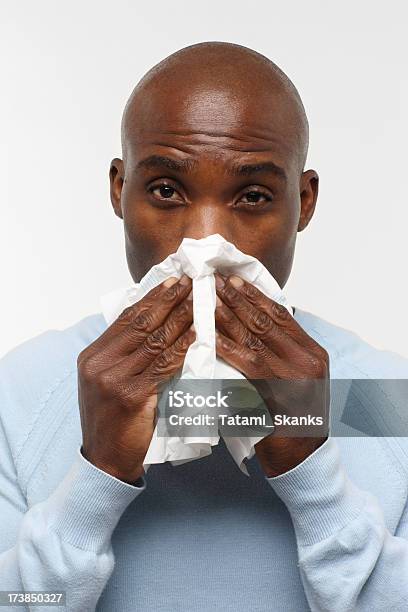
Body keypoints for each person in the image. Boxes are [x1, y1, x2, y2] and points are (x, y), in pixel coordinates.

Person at [0, 41, 407, 612]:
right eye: (167, 191)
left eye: (253, 196)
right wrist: (95, 478)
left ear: (304, 201)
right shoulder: (19, 393)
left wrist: (313, 476)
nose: (206, 244)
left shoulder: (384, 397)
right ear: (120, 189)